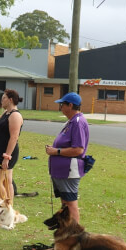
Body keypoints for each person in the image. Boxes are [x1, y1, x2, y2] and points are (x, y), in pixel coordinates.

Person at [45, 92, 89, 224]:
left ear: (70, 105)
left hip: (69, 171)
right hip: (62, 172)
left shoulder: (77, 122)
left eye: (62, 104)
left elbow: (78, 149)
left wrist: (56, 151)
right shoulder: (71, 121)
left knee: (70, 204)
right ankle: (66, 236)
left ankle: (75, 237)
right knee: (65, 205)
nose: (60, 107)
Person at [0, 89, 24, 201]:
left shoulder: (15, 115)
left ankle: (7, 206)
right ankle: (8, 209)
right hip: (0, 151)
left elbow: (14, 137)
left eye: (3, 99)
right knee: (7, 181)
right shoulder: (7, 113)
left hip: (7, 153)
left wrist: (7, 157)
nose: (1, 101)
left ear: (10, 100)